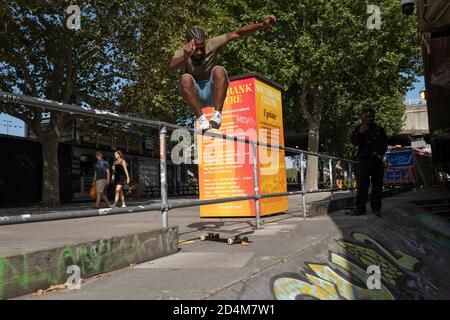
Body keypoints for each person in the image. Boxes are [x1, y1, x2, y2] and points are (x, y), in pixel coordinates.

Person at [169, 14, 277, 131]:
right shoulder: (182, 52)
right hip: (195, 96)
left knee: (219, 70)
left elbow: (237, 33)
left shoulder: (212, 44)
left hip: (213, 92)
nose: (199, 51)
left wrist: (262, 25)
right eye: (196, 48)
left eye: (202, 46)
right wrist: (185, 57)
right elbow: (171, 68)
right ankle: (202, 119)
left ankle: (217, 115)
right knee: (185, 78)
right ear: (189, 44)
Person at [351, 108, 388, 216]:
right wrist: (360, 132)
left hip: (376, 160)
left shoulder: (380, 130)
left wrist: (378, 152)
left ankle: (376, 208)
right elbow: (354, 142)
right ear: (363, 117)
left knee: (377, 185)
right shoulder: (359, 128)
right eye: (366, 117)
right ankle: (360, 208)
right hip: (363, 160)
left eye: (370, 116)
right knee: (362, 185)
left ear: (374, 117)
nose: (368, 119)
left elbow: (385, 144)